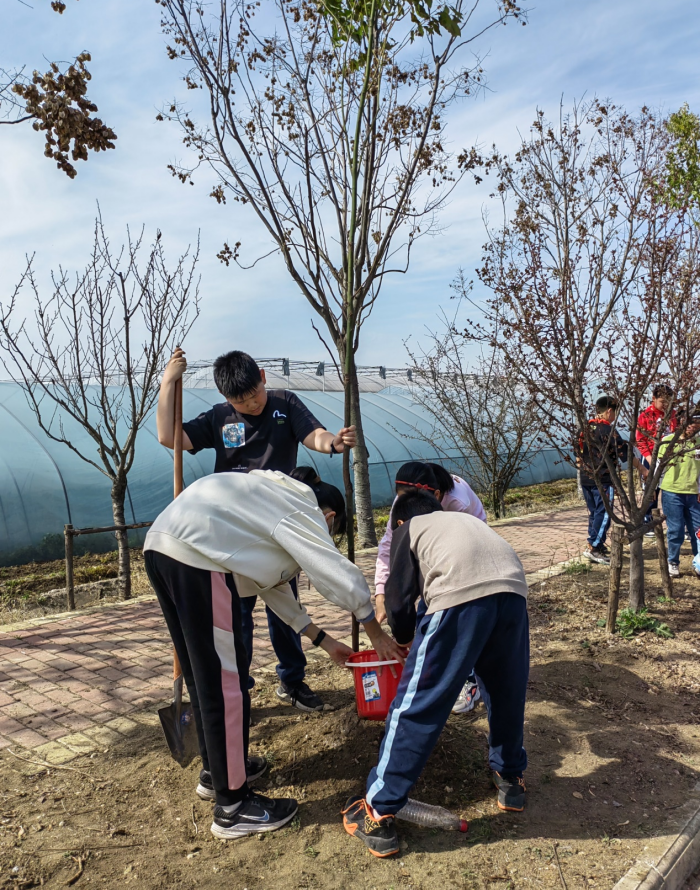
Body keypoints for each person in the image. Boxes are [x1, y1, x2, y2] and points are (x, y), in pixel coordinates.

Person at [144, 468, 405, 840]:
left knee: (205, 681)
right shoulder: (302, 506)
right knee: (225, 684)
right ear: (330, 517)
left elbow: (271, 585)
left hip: (163, 548)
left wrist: (323, 640)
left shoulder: (266, 499)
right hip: (198, 560)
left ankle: (218, 773)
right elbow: (332, 569)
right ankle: (233, 807)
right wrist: (374, 630)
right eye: (331, 531)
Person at [157, 347, 357, 712]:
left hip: (279, 529)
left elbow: (313, 434)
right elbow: (171, 438)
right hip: (232, 535)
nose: (251, 404)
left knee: (285, 606)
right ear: (225, 397)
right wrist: (168, 383)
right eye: (241, 401)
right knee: (237, 617)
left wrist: (333, 443)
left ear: (263, 377)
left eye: (255, 394)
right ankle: (240, 691)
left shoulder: (284, 404)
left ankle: (292, 681)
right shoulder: (220, 417)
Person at [342, 490, 529, 858]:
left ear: (399, 522)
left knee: (417, 703)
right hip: (513, 593)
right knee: (505, 690)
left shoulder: (408, 529)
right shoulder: (463, 523)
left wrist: (404, 641)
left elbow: (398, 599)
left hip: (459, 595)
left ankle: (378, 811)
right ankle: (510, 778)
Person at [374, 461, 487, 713]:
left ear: (435, 495)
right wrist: (381, 592)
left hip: (469, 548)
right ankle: (434, 669)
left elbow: (464, 546)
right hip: (435, 547)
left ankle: (467, 680)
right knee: (431, 615)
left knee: (454, 613)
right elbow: (389, 544)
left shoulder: (456, 503)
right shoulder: (406, 499)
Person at [577, 396, 628, 565]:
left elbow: (578, 455)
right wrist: (642, 468)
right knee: (605, 513)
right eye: (615, 413)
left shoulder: (584, 429)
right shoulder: (608, 431)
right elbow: (624, 454)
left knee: (595, 512)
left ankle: (593, 543)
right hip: (604, 479)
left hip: (586, 478)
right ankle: (594, 547)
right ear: (609, 411)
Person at [657, 414, 700, 580]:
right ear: (681, 422)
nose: (693, 427)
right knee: (676, 530)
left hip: (693, 493)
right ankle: (673, 561)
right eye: (691, 423)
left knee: (698, 530)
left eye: (697, 424)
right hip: (672, 492)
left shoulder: (698, 443)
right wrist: (653, 488)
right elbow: (658, 467)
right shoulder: (668, 441)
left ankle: (698, 562)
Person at [636, 386, 678, 533]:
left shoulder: (673, 414)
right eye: (662, 401)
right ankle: (647, 523)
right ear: (653, 399)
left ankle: (674, 522)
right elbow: (640, 440)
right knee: (651, 491)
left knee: (671, 490)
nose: (665, 405)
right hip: (651, 457)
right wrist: (649, 459)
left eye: (668, 401)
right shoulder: (645, 416)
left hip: (671, 457)